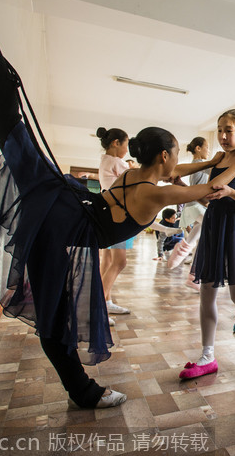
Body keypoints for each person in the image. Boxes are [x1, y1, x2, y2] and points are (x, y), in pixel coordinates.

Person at [0, 0, 235, 409]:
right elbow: (208, 190)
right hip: (63, 227)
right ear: (166, 156)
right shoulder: (154, 193)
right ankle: (85, 393)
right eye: (176, 155)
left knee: (10, 130)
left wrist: (213, 159)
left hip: (65, 204)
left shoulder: (141, 174)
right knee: (54, 323)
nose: (177, 163)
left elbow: (186, 172)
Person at [180, 110, 235, 379]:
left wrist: (232, 192)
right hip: (214, 225)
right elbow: (208, 196)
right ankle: (207, 355)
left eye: (229, 130)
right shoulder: (218, 160)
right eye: (219, 130)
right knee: (206, 293)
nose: (223, 136)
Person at [96, 126, 132, 322]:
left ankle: (106, 301)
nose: (126, 150)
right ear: (116, 143)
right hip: (118, 215)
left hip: (107, 214)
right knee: (120, 261)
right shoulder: (117, 162)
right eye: (125, 145)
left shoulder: (105, 161)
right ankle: (98, 307)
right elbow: (135, 180)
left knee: (108, 261)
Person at [167, 137, 211, 292]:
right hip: (196, 204)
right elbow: (216, 171)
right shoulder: (199, 164)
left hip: (194, 204)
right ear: (198, 148)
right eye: (207, 147)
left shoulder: (196, 165)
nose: (208, 151)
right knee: (209, 229)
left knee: (199, 233)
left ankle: (191, 275)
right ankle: (193, 274)